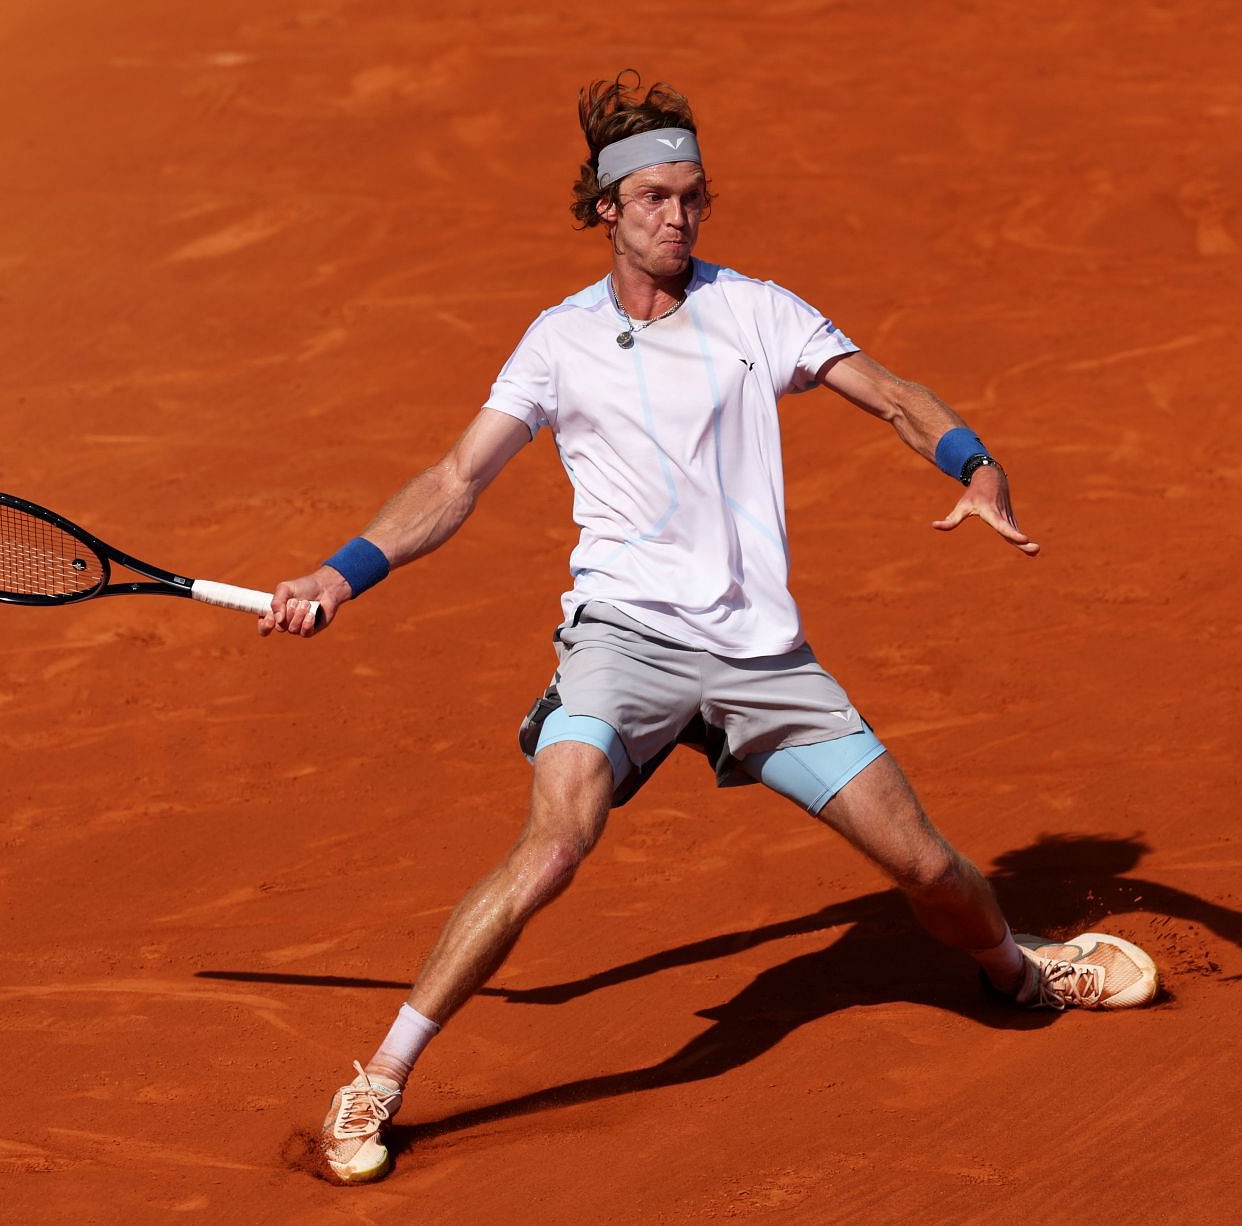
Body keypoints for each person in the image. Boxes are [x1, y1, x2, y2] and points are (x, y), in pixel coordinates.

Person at [260, 71, 1159, 1185]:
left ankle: (1019, 969)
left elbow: (888, 391)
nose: (680, 219)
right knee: (551, 846)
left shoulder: (756, 312)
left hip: (759, 655)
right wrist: (342, 574)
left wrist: (972, 461)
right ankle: (383, 1077)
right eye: (657, 200)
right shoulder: (557, 343)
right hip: (622, 636)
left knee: (927, 864)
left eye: (695, 198)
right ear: (608, 209)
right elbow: (455, 478)